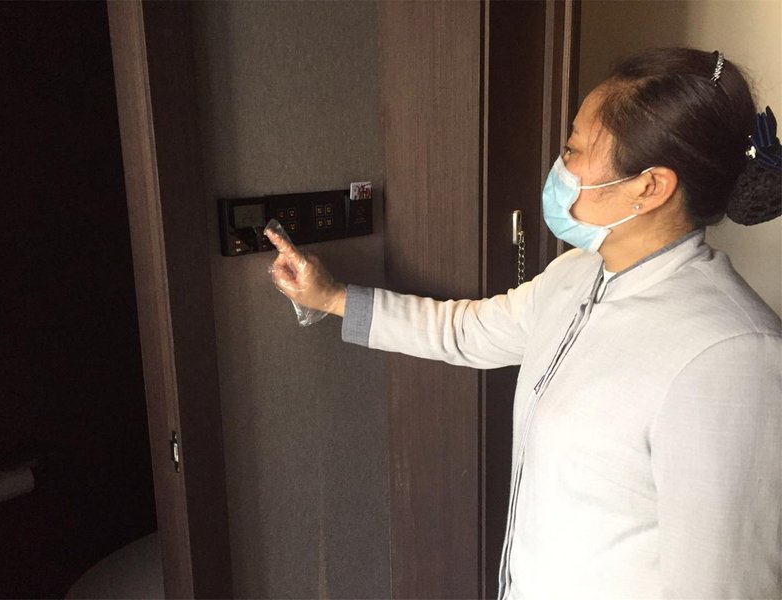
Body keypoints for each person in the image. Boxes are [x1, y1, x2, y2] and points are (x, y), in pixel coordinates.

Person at [265, 47, 782, 599]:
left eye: (573, 149)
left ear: (649, 187)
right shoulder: (578, 275)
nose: (560, 168)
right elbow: (466, 331)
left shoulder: (731, 356)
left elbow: (727, 586)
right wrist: (332, 298)